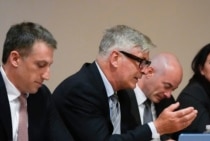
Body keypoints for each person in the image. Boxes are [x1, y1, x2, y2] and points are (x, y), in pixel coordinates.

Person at [52, 25, 197, 141]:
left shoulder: (123, 92)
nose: (143, 71)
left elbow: (129, 135)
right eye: (141, 62)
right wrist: (156, 127)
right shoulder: (81, 90)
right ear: (115, 58)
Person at [0, 22, 73, 141]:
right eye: (41, 65)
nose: (47, 76)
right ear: (15, 59)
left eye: (49, 66)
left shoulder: (42, 95)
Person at [118, 52, 184, 141]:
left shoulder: (167, 101)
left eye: (173, 89)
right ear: (149, 72)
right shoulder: (122, 95)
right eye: (167, 86)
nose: (168, 94)